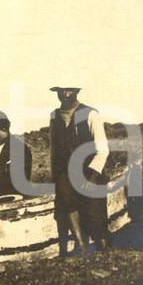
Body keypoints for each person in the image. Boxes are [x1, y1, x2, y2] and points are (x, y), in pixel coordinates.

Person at [49, 86, 111, 254]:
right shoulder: (55, 116)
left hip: (90, 170)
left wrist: (91, 178)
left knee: (94, 212)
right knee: (66, 201)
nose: (63, 94)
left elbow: (102, 149)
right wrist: (55, 174)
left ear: (76, 92)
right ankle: (81, 246)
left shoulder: (90, 114)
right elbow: (54, 148)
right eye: (60, 91)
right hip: (66, 171)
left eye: (68, 90)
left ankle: (102, 246)